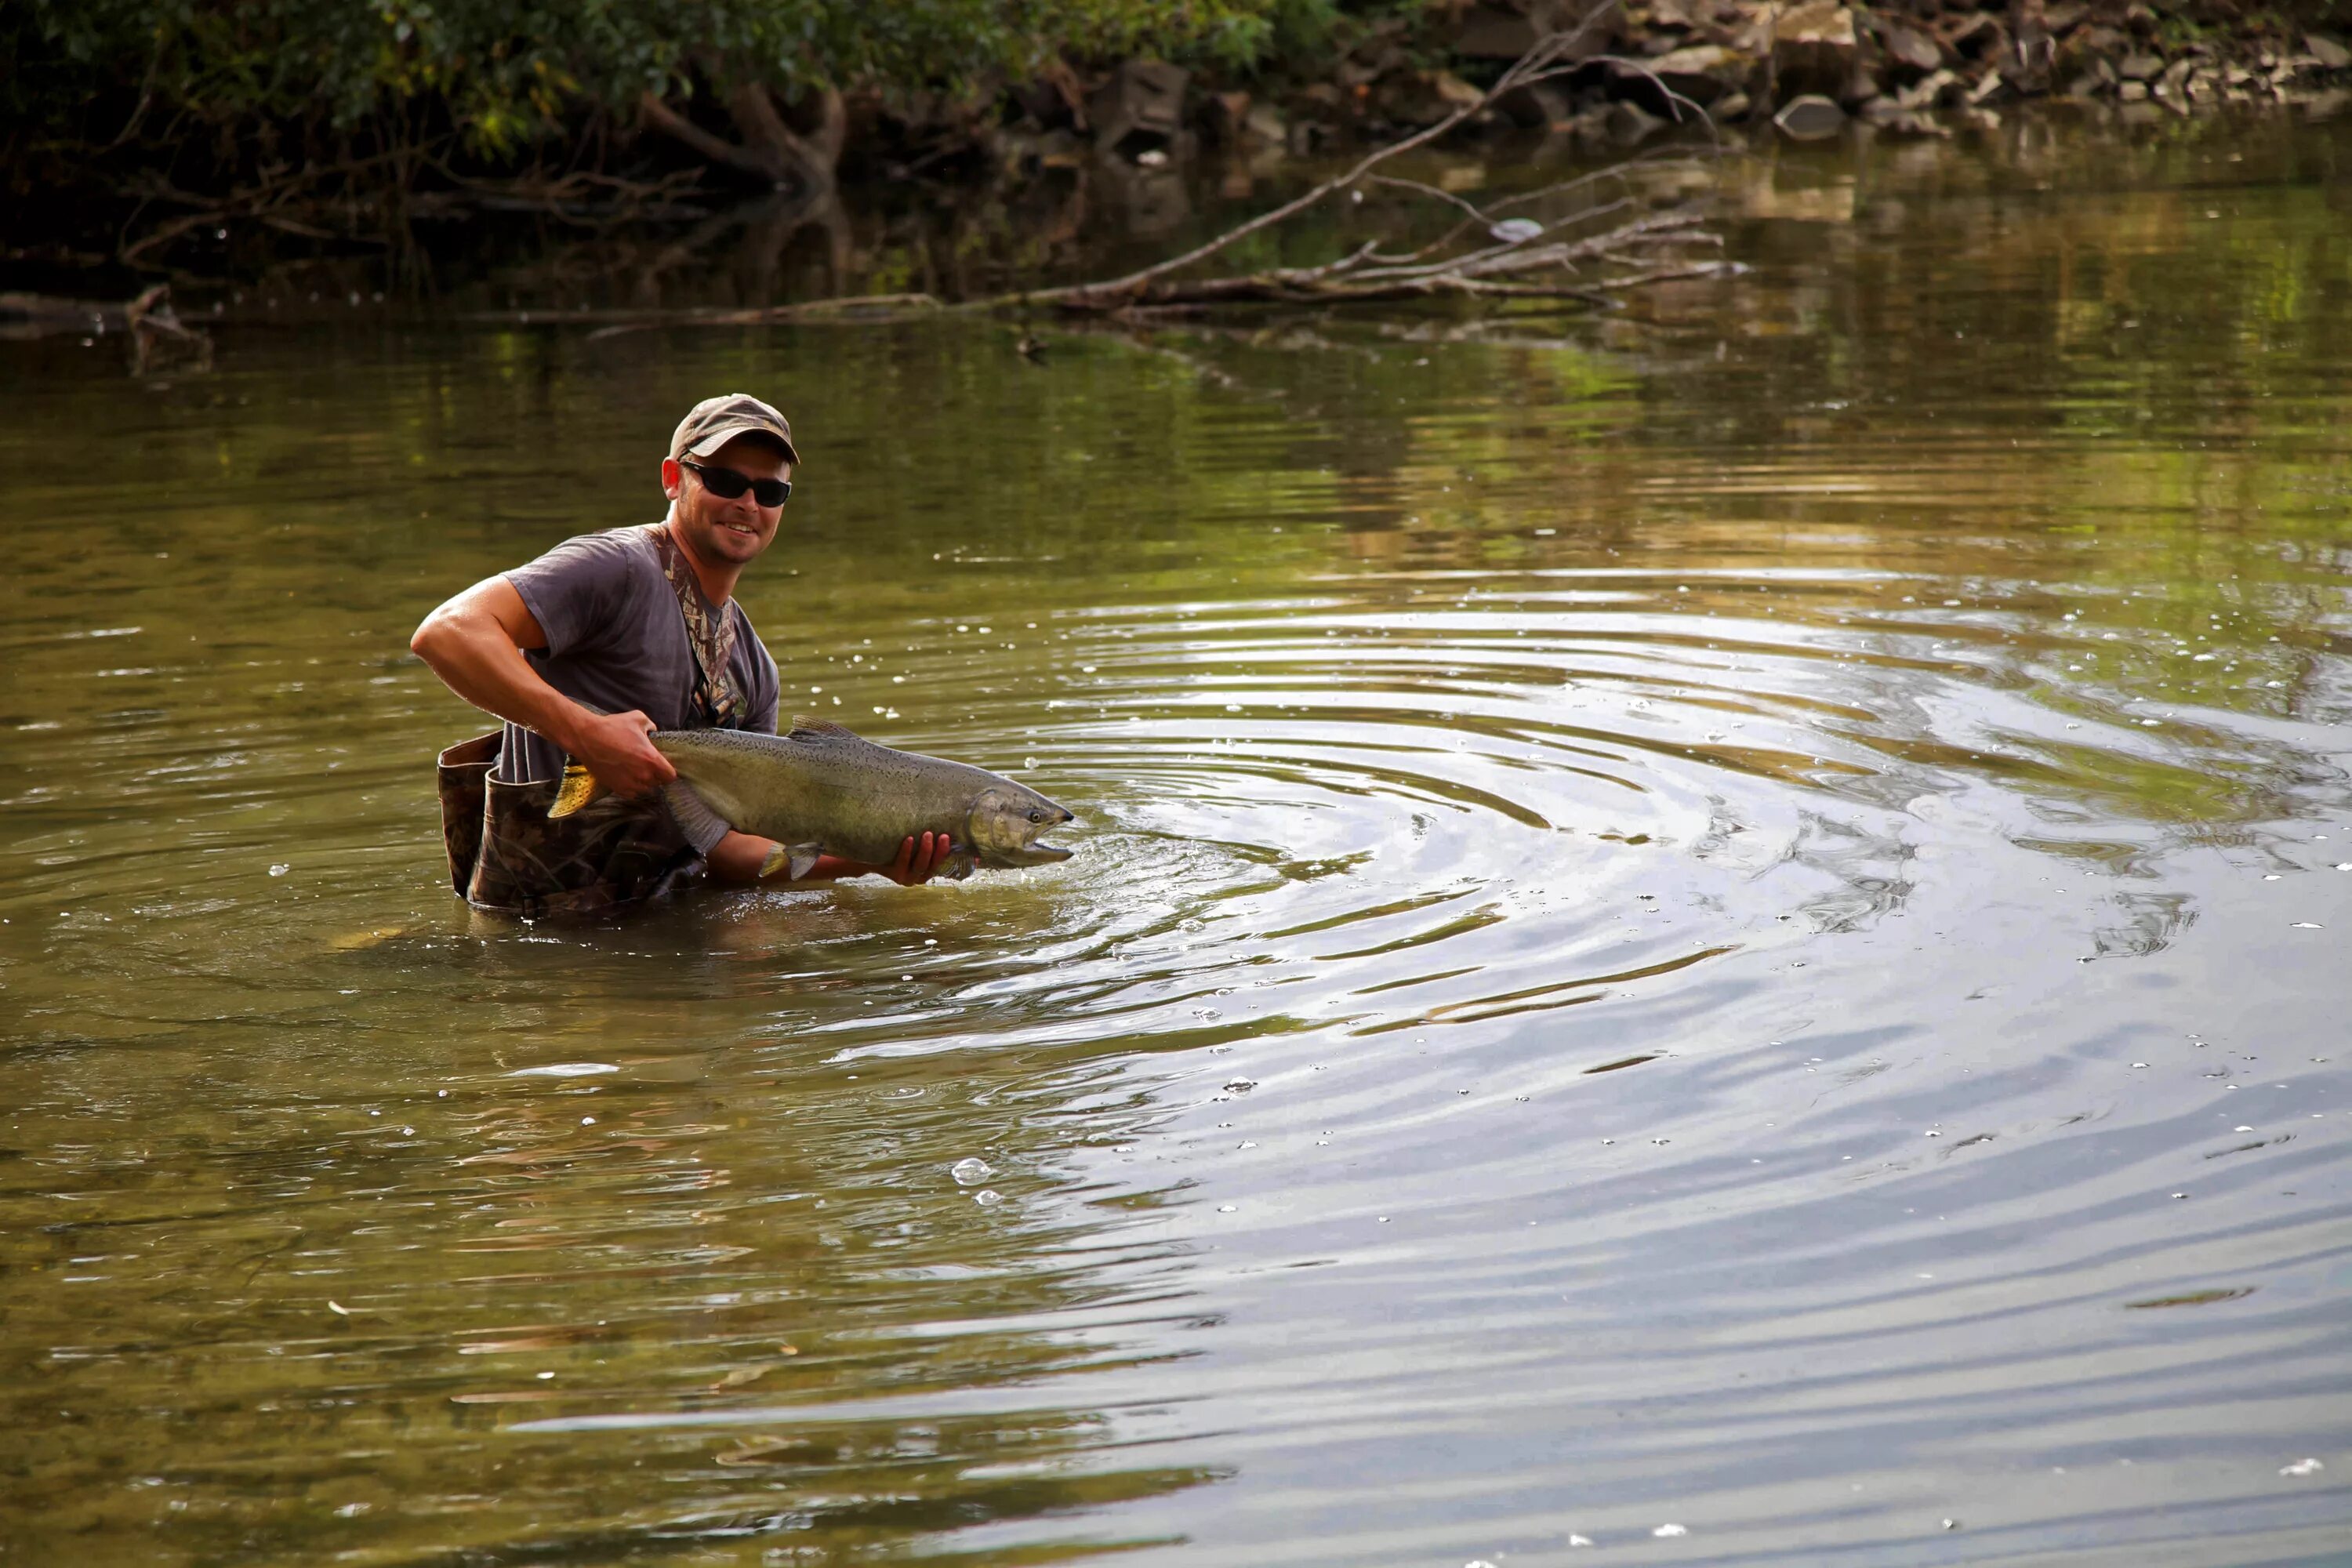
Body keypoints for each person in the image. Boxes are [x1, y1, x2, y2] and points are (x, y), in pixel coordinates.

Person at [410, 393, 952, 917]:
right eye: (724, 480)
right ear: (673, 479)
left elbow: (732, 852)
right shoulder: (615, 568)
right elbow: (447, 633)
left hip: (658, 925)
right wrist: (586, 734)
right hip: (534, 935)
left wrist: (868, 862)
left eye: (770, 492)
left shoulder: (754, 670)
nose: (748, 503)